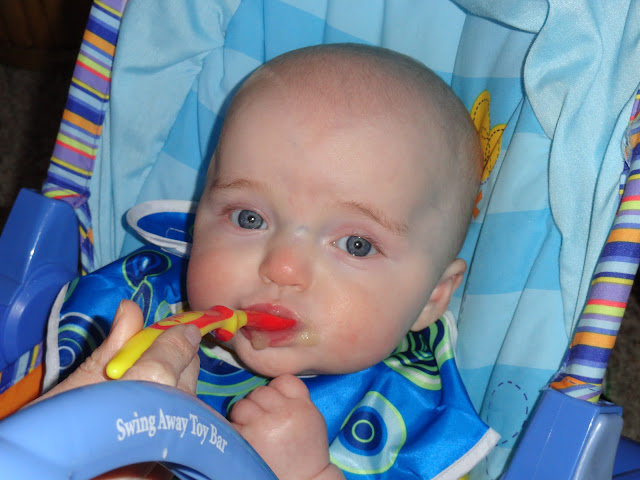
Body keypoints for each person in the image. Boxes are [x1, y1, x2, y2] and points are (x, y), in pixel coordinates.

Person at [40, 43, 485, 479]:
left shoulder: (415, 421)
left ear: (432, 297)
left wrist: (307, 474)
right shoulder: (140, 313)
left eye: (356, 245)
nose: (282, 268)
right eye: (249, 218)